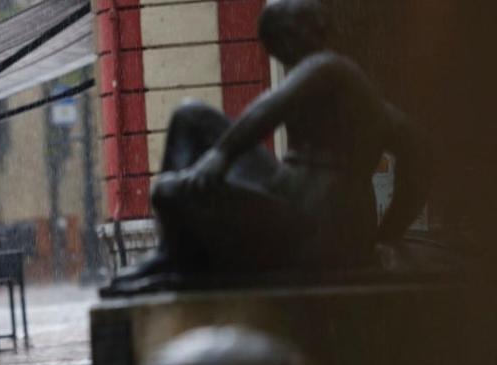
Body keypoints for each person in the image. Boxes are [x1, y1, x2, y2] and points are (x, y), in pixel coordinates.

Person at [105, 0, 428, 294]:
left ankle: (174, 256)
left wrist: (219, 157)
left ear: (302, 33)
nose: (279, 55)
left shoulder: (326, 68)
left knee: (169, 192)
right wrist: (386, 233)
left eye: (280, 41)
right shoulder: (361, 94)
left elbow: (269, 108)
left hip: (312, 223)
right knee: (191, 115)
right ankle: (169, 253)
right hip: (295, 198)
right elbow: (417, 154)